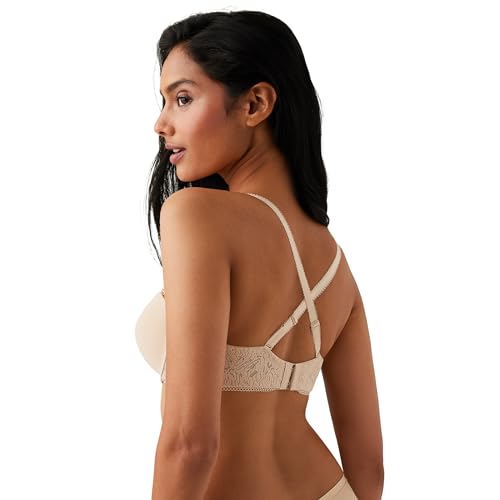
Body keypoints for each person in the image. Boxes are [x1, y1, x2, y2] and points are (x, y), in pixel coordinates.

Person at [140, 9, 383, 500]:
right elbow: (370, 469)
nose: (160, 123)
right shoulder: (336, 267)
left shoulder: (195, 215)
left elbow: (190, 444)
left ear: (255, 104)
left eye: (183, 99)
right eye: (164, 101)